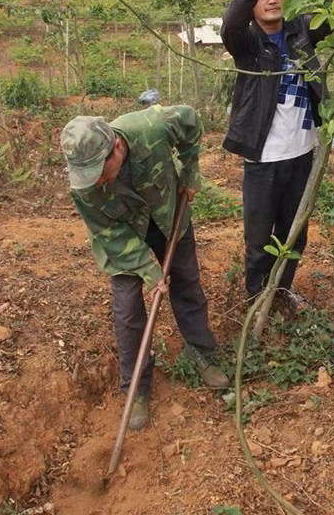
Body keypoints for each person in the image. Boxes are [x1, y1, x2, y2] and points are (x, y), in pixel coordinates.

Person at [60, 106, 229, 431]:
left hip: (169, 219)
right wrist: (150, 271)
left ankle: (201, 352)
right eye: (87, 173)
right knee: (127, 312)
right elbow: (108, 232)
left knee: (187, 285)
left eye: (100, 169)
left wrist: (190, 171)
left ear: (117, 147)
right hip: (124, 244)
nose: (95, 180)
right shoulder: (83, 187)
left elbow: (191, 122)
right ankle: (136, 386)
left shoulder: (151, 126)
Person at [220, 0, 328, 311]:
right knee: (258, 238)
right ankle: (256, 300)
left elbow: (327, 22)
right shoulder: (248, 44)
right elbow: (229, 26)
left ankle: (281, 293)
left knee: (294, 232)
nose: (271, 0)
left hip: (301, 153)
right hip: (263, 157)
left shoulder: (300, 34)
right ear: (253, 4)